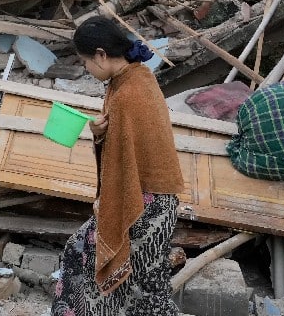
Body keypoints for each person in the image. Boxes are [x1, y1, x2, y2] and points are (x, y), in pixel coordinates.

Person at [52, 16, 185, 316]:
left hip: (147, 204)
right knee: (139, 286)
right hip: (151, 199)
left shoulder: (128, 93)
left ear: (101, 54)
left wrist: (101, 138)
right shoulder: (134, 77)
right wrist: (101, 135)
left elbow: (124, 161)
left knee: (140, 290)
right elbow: (124, 147)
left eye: (86, 61)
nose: (86, 68)